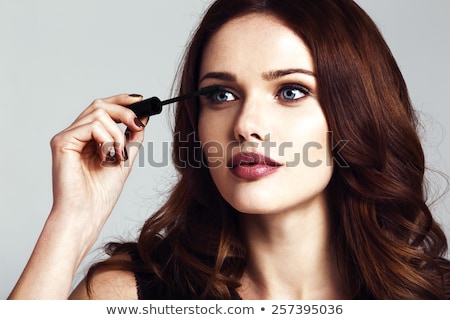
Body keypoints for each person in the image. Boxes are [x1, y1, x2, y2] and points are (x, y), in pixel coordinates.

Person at [8, 0, 450, 300]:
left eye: (291, 91)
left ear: (357, 114)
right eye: (220, 95)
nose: (246, 126)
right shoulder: (126, 295)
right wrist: (72, 221)